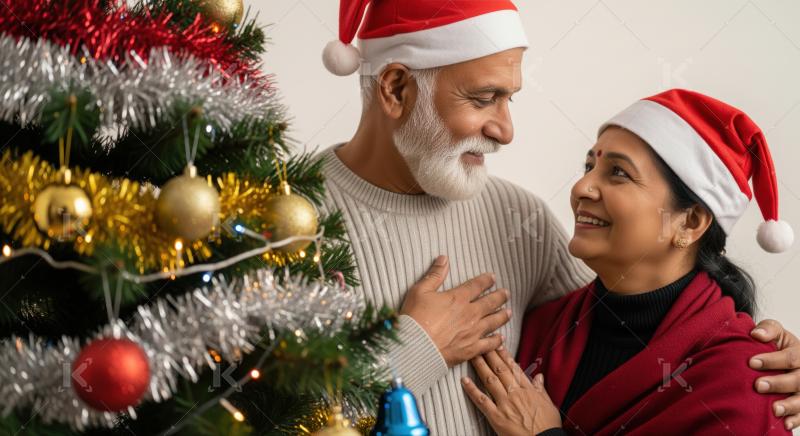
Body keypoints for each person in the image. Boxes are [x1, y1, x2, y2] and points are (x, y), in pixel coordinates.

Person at [317, 1, 800, 434]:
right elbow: (270, 414)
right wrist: (414, 349)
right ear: (396, 88)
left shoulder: (516, 217)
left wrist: (774, 353)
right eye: (483, 98)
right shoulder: (287, 224)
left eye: (509, 98)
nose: (506, 131)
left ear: (691, 222)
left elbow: (642, 311)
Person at [461, 89, 795, 434]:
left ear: (690, 222)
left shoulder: (747, 383)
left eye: (618, 172)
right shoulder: (542, 326)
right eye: (589, 167)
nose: (582, 187)